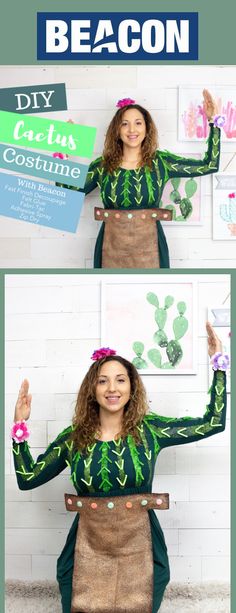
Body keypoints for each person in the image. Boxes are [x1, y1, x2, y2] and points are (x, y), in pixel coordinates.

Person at [12, 322, 228, 613]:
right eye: (102, 381)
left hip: (141, 545)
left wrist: (218, 365)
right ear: (93, 389)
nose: (112, 388)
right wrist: (19, 426)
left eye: (120, 380)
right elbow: (28, 478)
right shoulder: (73, 439)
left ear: (132, 387)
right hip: (86, 546)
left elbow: (212, 423)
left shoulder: (150, 430)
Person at [57, 90, 222, 268]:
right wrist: (61, 152)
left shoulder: (161, 162)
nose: (132, 130)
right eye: (124, 124)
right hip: (109, 249)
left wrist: (213, 122)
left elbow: (209, 165)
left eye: (138, 123)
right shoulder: (102, 166)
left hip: (152, 250)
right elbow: (66, 193)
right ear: (117, 130)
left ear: (146, 128)